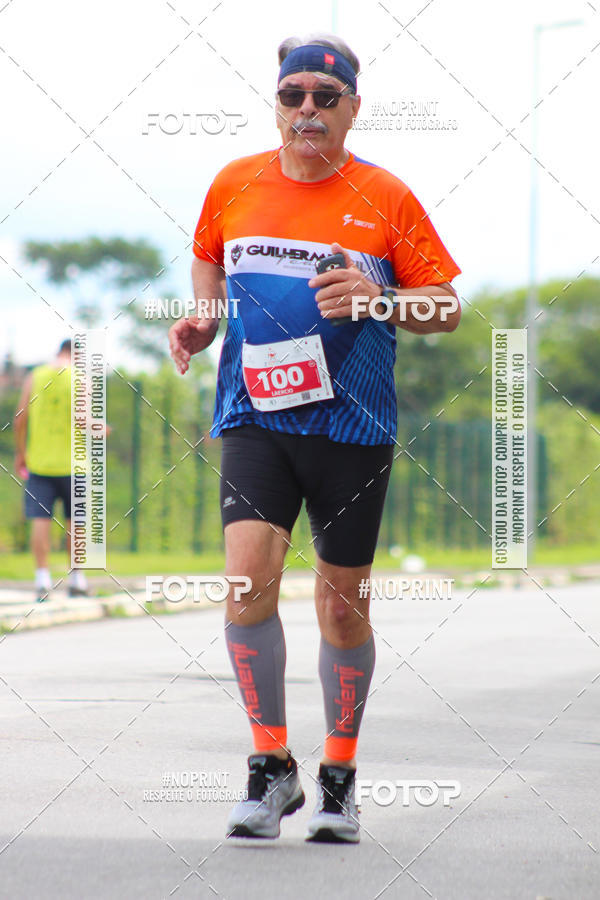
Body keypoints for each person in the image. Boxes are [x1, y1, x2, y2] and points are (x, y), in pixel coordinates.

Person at [169, 33, 461, 843]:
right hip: (255, 418)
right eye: (292, 94)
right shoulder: (234, 182)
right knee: (245, 582)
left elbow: (445, 308)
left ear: (352, 109)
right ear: (276, 104)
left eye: (325, 97)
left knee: (342, 608)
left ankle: (338, 779)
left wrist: (379, 299)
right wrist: (205, 318)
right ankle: (271, 768)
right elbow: (207, 256)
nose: (307, 109)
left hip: (351, 427)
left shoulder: (386, 196)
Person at [13, 339, 88, 602]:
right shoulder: (80, 378)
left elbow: (20, 418)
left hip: (40, 464)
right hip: (75, 465)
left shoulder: (35, 376)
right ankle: (77, 579)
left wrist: (21, 453)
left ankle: (42, 579)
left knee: (40, 520)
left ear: (59, 351)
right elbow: (84, 420)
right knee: (76, 522)